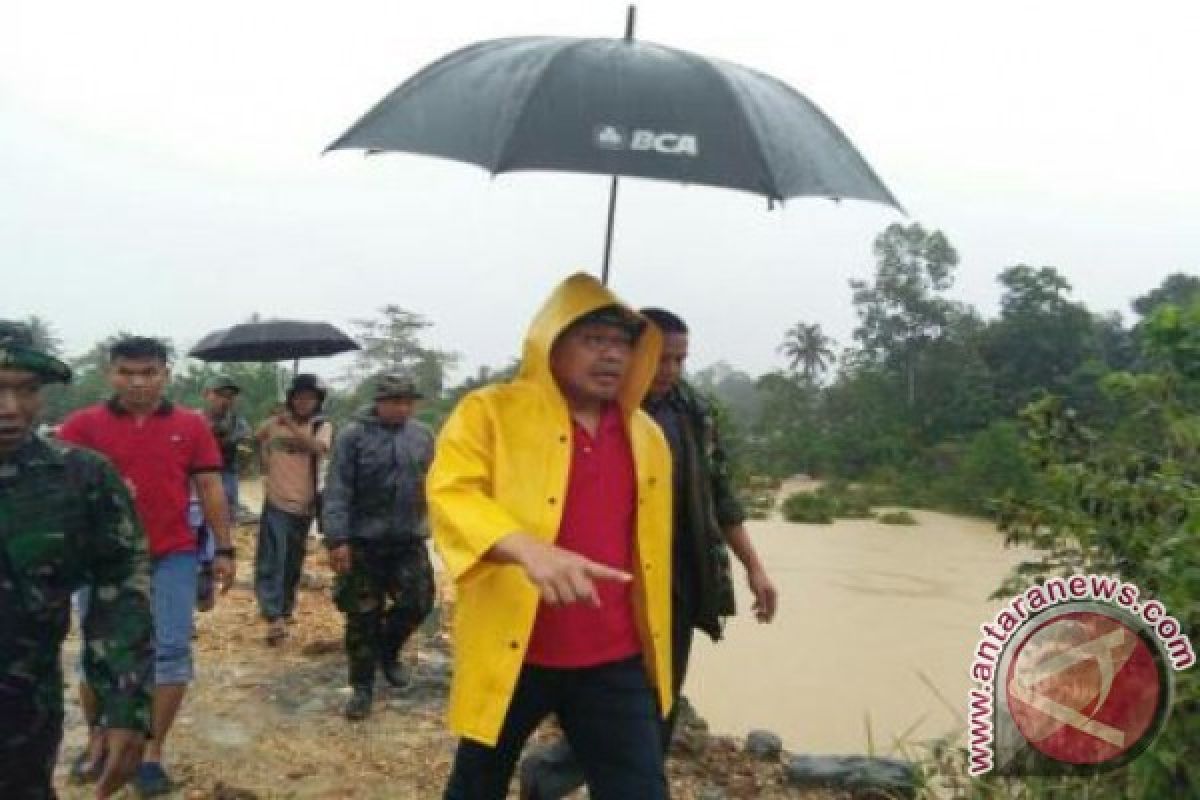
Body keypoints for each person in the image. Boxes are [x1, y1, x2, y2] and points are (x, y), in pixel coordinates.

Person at [428, 273, 674, 800]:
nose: (612, 356)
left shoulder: (647, 436)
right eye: (594, 340)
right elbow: (451, 493)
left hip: (614, 651)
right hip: (516, 647)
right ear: (551, 345)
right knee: (477, 786)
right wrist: (527, 548)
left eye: (622, 344)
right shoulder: (489, 412)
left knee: (641, 790)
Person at [519, 307, 780, 798]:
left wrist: (754, 568)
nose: (670, 371)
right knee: (613, 704)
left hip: (677, 582)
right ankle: (555, 771)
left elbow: (720, 497)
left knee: (659, 701)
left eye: (681, 360)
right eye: (660, 358)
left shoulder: (693, 413)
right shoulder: (598, 408)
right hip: (610, 582)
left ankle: (594, 778)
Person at [57, 335, 235, 797]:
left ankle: (150, 754)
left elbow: (211, 487)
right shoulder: (82, 426)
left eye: (148, 373)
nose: (137, 383)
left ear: (165, 375)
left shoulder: (191, 426)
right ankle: (99, 740)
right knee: (97, 656)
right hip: (102, 561)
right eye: (127, 373)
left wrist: (224, 548)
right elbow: (59, 492)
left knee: (171, 655)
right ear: (109, 374)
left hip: (171, 555)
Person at [0, 321, 154, 800]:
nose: (10, 410)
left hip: (23, 716)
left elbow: (121, 588)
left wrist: (125, 705)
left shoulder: (81, 479)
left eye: (25, 390)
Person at [322, 374, 436, 720]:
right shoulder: (353, 436)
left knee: (418, 602)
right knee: (362, 616)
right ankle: (361, 687)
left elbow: (437, 484)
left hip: (408, 538)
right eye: (395, 401)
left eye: (408, 402)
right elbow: (337, 489)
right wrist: (337, 539)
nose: (402, 408)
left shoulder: (423, 436)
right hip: (362, 542)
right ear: (379, 402)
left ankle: (388, 651)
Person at [254, 373, 331, 645]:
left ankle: (285, 609)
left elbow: (317, 448)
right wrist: (276, 419)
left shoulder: (321, 426)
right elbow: (256, 436)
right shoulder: (276, 424)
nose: (304, 403)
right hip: (276, 502)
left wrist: (290, 425)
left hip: (304, 504)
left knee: (292, 562)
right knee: (272, 559)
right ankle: (272, 615)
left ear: (318, 402)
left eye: (310, 399)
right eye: (299, 398)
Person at [193, 375, 251, 611]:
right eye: (219, 395)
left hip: (225, 476)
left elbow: (245, 448)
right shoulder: (193, 420)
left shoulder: (238, 423)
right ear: (207, 394)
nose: (225, 401)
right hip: (195, 480)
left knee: (219, 526)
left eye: (229, 396)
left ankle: (208, 573)